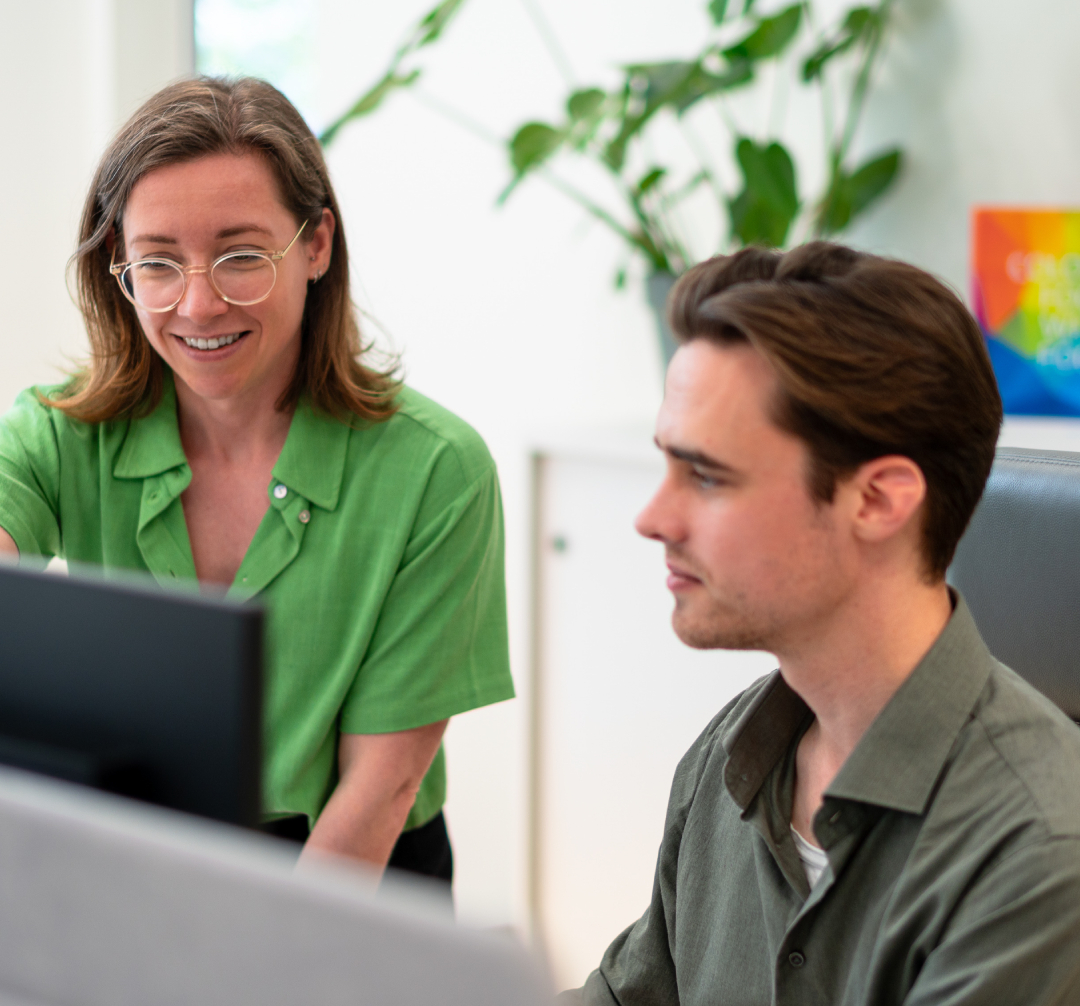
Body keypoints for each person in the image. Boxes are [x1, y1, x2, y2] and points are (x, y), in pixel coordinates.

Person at [0, 77, 514, 886]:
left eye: (241, 256)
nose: (198, 305)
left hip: (351, 869)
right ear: (118, 266)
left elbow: (379, 790)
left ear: (316, 246)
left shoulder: (436, 470)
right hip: (135, 863)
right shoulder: (58, 433)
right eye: (158, 264)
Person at [566, 242, 1080, 1004]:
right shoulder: (729, 760)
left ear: (876, 501)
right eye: (666, 465)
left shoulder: (1036, 850)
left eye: (706, 475)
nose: (652, 517)